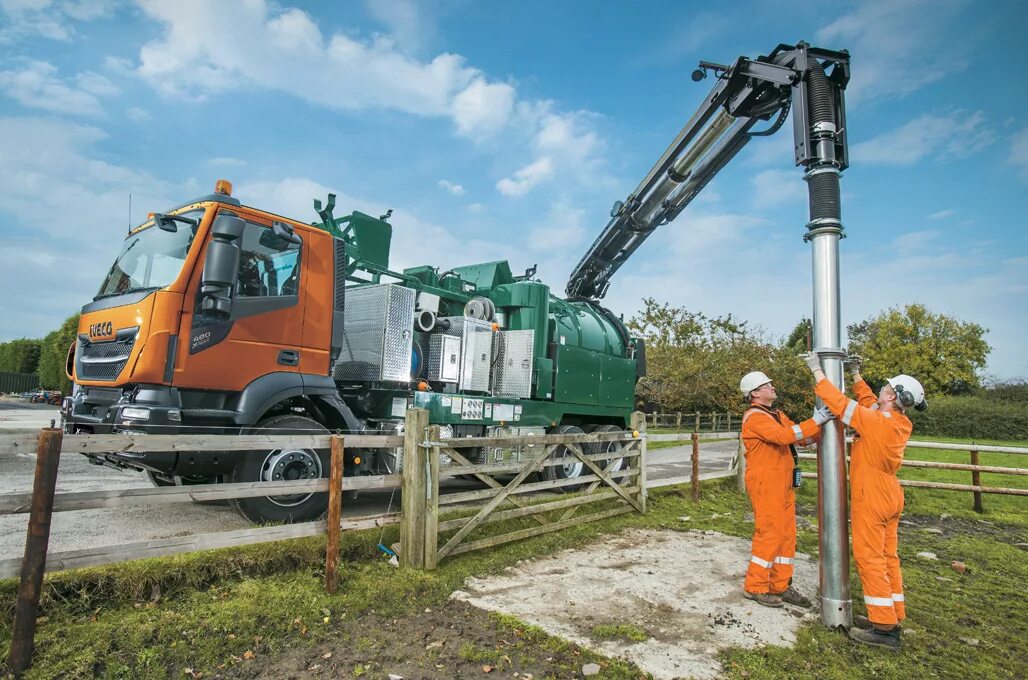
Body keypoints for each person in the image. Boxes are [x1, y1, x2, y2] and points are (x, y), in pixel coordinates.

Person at [800, 351, 926, 651]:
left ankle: (884, 629)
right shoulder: (895, 421)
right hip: (890, 493)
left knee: (869, 559)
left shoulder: (876, 422)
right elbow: (868, 402)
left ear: (894, 397)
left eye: (887, 388)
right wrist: (856, 375)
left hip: (871, 495)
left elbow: (840, 405)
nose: (882, 389)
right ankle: (892, 614)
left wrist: (817, 371)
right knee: (888, 558)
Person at [738, 370, 834, 608]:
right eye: (767, 385)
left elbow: (798, 437)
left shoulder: (776, 414)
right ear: (755, 393)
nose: (772, 387)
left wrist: (817, 429)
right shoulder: (755, 417)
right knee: (769, 533)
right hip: (766, 484)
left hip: (783, 484)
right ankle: (756, 587)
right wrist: (816, 421)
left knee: (787, 535)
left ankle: (779, 585)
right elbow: (783, 437)